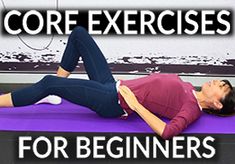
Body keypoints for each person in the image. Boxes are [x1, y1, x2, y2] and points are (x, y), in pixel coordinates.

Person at [0, 26, 234, 140]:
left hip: (112, 101)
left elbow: (167, 132)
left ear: (218, 104)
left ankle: (32, 94)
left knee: (48, 81)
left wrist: (134, 105)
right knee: (79, 34)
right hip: (113, 86)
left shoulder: (192, 110)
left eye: (221, 87)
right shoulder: (189, 90)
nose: (216, 82)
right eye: (221, 82)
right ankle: (53, 94)